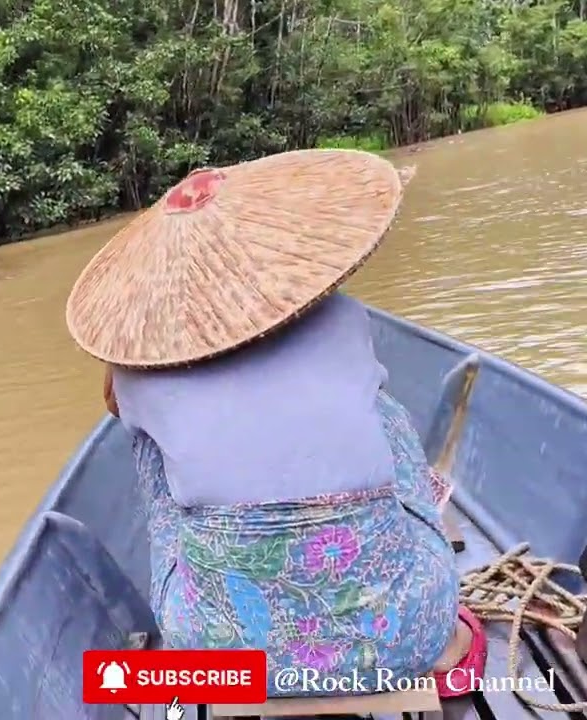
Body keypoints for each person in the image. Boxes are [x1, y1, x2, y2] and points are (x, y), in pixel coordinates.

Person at [64, 149, 485, 698]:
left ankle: (196, 629)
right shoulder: (343, 319)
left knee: (150, 450)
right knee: (381, 410)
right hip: (402, 641)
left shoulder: (133, 378)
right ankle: (452, 646)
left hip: (221, 663)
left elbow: (127, 416)